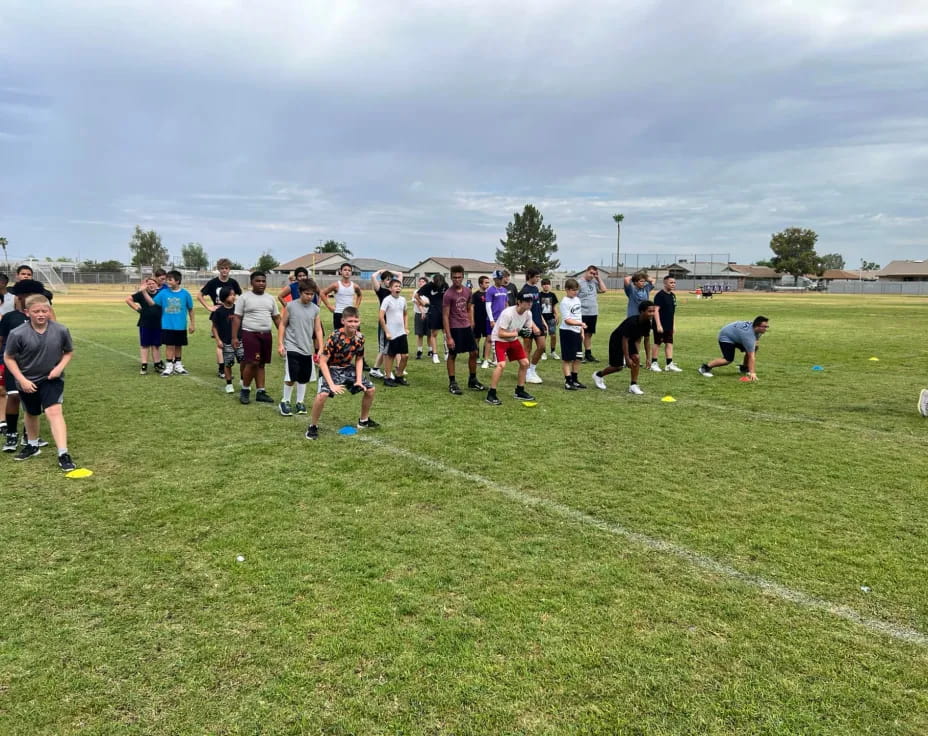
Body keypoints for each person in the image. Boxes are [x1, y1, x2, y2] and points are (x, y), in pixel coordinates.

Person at [3, 293, 76, 471]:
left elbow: (68, 352)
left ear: (50, 311)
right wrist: (21, 379)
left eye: (44, 310)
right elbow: (8, 357)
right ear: (28, 313)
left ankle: (63, 453)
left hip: (52, 379)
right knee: (31, 412)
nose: (41, 314)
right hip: (27, 380)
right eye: (36, 311)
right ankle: (32, 445)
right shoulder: (18, 333)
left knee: (54, 411)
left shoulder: (60, 330)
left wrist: (59, 368)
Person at [305, 306, 379, 440]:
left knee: (370, 389)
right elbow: (322, 362)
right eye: (350, 321)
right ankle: (313, 426)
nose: (353, 324)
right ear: (343, 321)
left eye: (356, 321)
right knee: (322, 395)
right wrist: (332, 385)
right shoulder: (334, 337)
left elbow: (359, 359)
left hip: (347, 368)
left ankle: (363, 421)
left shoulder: (360, 337)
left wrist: (358, 380)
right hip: (330, 368)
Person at [231, 271, 281, 404]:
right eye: (258, 281)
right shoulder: (244, 298)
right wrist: (234, 337)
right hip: (250, 333)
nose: (261, 283)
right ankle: (245, 390)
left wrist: (284, 335)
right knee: (252, 362)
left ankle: (261, 392)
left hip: (266, 334)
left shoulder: (270, 298)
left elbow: (276, 318)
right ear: (251, 282)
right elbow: (237, 317)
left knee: (261, 364)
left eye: (263, 281)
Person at [277, 279, 324, 416]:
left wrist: (320, 347)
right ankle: (285, 401)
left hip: (306, 348)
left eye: (312, 294)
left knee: (304, 377)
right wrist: (280, 343)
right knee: (291, 375)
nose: (310, 296)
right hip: (292, 346)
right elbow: (283, 325)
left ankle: (300, 402)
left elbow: (318, 330)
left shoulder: (315, 309)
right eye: (307, 294)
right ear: (300, 292)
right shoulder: (291, 306)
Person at [592, 300, 656, 395]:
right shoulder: (632, 322)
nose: (652, 314)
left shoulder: (648, 323)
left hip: (630, 341)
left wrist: (648, 358)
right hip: (617, 340)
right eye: (650, 311)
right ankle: (598, 375)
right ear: (642, 312)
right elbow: (624, 340)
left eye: (653, 311)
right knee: (618, 367)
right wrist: (627, 358)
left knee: (636, 358)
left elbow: (647, 340)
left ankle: (633, 385)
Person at [484, 294, 538, 406]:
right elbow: (500, 333)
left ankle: (520, 390)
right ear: (519, 302)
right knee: (501, 365)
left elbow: (527, 328)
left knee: (525, 363)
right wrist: (518, 333)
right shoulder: (508, 313)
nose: (529, 303)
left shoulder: (528, 313)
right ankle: (491, 393)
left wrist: (530, 330)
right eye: (526, 301)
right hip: (499, 339)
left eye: (531, 301)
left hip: (512, 339)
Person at [141, 270, 195, 376]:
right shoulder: (164, 293)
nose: (167, 281)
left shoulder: (185, 294)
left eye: (170, 280)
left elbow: (191, 309)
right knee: (169, 345)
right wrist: (143, 292)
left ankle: (178, 365)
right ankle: (169, 366)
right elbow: (152, 303)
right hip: (167, 325)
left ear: (178, 281)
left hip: (181, 325)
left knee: (179, 345)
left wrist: (192, 324)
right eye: (167, 279)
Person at [442, 265, 485, 395]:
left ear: (463, 277)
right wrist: (448, 337)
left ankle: (472, 380)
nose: (457, 280)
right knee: (453, 354)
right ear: (451, 277)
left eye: (459, 277)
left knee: (473, 353)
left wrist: (471, 321)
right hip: (454, 328)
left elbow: (468, 307)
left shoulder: (467, 291)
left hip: (466, 327)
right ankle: (452, 382)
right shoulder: (448, 294)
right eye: (454, 277)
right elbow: (445, 316)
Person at [698, 316, 770, 381]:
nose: (766, 329)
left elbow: (754, 344)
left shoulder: (757, 330)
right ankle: (704, 368)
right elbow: (751, 356)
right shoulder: (748, 335)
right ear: (757, 326)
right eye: (764, 327)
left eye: (767, 327)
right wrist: (752, 373)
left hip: (736, 336)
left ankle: (744, 368)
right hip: (726, 336)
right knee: (728, 359)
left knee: (754, 348)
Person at [125, 276, 164, 375]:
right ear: (145, 285)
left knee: (156, 345)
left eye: (153, 283)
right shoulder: (141, 294)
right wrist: (137, 308)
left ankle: (157, 364)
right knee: (145, 345)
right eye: (149, 284)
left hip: (158, 323)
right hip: (145, 322)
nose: (151, 285)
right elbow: (128, 299)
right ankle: (144, 365)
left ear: (157, 284)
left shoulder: (161, 294)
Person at [210, 286, 243, 394]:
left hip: (239, 341)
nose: (233, 297)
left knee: (244, 362)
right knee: (228, 364)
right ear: (224, 296)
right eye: (230, 295)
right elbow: (214, 327)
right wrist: (218, 340)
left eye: (234, 295)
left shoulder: (238, 309)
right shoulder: (219, 311)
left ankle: (243, 380)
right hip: (226, 342)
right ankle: (229, 384)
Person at [378, 279, 410, 387]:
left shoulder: (403, 300)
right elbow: (381, 317)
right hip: (391, 333)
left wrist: (406, 327)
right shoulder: (387, 300)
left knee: (405, 356)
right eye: (396, 286)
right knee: (390, 356)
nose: (398, 288)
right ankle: (387, 378)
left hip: (401, 333)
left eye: (399, 286)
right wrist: (387, 331)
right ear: (390, 288)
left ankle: (399, 376)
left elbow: (405, 314)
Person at [370, 268, 401, 379]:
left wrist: (390, 271)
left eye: (390, 279)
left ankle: (375, 369)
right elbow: (373, 277)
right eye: (387, 280)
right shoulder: (381, 291)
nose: (389, 281)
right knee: (385, 349)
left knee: (390, 348)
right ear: (382, 282)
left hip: (394, 324)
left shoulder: (394, 291)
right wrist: (380, 271)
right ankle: (384, 371)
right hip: (385, 323)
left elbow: (400, 274)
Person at [519, 267, 547, 384]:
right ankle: (526, 373)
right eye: (537, 277)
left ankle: (532, 369)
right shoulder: (524, 290)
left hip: (538, 322)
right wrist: (532, 325)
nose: (538, 279)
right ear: (530, 276)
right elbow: (525, 310)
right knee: (527, 348)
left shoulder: (536, 289)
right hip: (527, 324)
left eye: (539, 277)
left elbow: (537, 307)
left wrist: (543, 321)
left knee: (542, 347)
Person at [650, 275, 682, 373]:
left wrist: (673, 325)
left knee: (669, 343)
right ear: (665, 283)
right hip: (660, 324)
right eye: (671, 282)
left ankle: (669, 364)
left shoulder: (672, 295)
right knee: (657, 343)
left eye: (674, 283)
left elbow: (672, 312)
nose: (673, 284)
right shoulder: (660, 295)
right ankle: (654, 363)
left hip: (669, 325)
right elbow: (656, 311)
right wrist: (658, 325)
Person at [559, 278, 587, 390]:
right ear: (567, 289)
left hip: (577, 331)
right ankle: (568, 381)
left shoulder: (577, 300)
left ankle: (575, 380)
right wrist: (581, 324)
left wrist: (581, 330)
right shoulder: (564, 302)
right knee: (567, 358)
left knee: (578, 357)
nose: (575, 292)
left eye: (576, 290)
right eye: (573, 290)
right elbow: (567, 320)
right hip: (567, 332)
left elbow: (578, 315)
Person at [320, 262, 362, 331]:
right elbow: (322, 293)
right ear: (340, 271)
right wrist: (329, 307)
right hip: (339, 313)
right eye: (345, 270)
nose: (347, 272)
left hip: (351, 313)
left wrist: (356, 307)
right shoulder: (336, 285)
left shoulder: (355, 286)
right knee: (339, 337)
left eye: (349, 270)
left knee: (355, 336)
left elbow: (359, 295)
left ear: (351, 272)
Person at [416, 273, 447, 364]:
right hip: (434, 310)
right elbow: (417, 295)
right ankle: (435, 354)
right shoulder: (429, 286)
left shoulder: (445, 285)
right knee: (434, 333)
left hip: (444, 311)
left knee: (446, 333)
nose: (439, 284)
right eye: (437, 282)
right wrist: (423, 303)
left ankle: (447, 352)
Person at [579, 265, 607, 362]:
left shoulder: (594, 282)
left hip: (593, 312)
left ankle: (588, 354)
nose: (592, 275)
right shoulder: (579, 283)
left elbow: (604, 290)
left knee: (589, 334)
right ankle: (578, 354)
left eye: (594, 274)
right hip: (582, 313)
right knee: (580, 334)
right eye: (591, 273)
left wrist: (598, 278)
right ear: (586, 271)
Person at [471, 275, 492, 368]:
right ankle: (476, 357)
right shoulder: (475, 295)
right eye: (486, 282)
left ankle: (485, 357)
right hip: (477, 320)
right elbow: (471, 308)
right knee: (477, 339)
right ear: (480, 284)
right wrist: (472, 320)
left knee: (488, 338)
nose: (488, 284)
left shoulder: (490, 294)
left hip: (487, 320)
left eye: (488, 282)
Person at [539, 278, 560, 360]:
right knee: (544, 335)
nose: (546, 286)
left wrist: (557, 314)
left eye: (547, 284)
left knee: (553, 335)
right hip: (542, 319)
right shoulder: (539, 295)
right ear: (541, 286)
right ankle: (543, 352)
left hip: (551, 318)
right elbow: (537, 308)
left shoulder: (552, 295)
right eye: (544, 284)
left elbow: (554, 306)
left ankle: (553, 352)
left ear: (550, 285)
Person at [412, 276, 428, 360]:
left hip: (429, 314)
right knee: (420, 334)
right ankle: (419, 351)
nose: (421, 283)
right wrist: (422, 311)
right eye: (420, 281)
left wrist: (422, 302)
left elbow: (428, 303)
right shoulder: (416, 291)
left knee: (430, 334)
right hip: (418, 314)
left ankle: (431, 351)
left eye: (423, 281)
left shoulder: (429, 292)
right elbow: (417, 302)